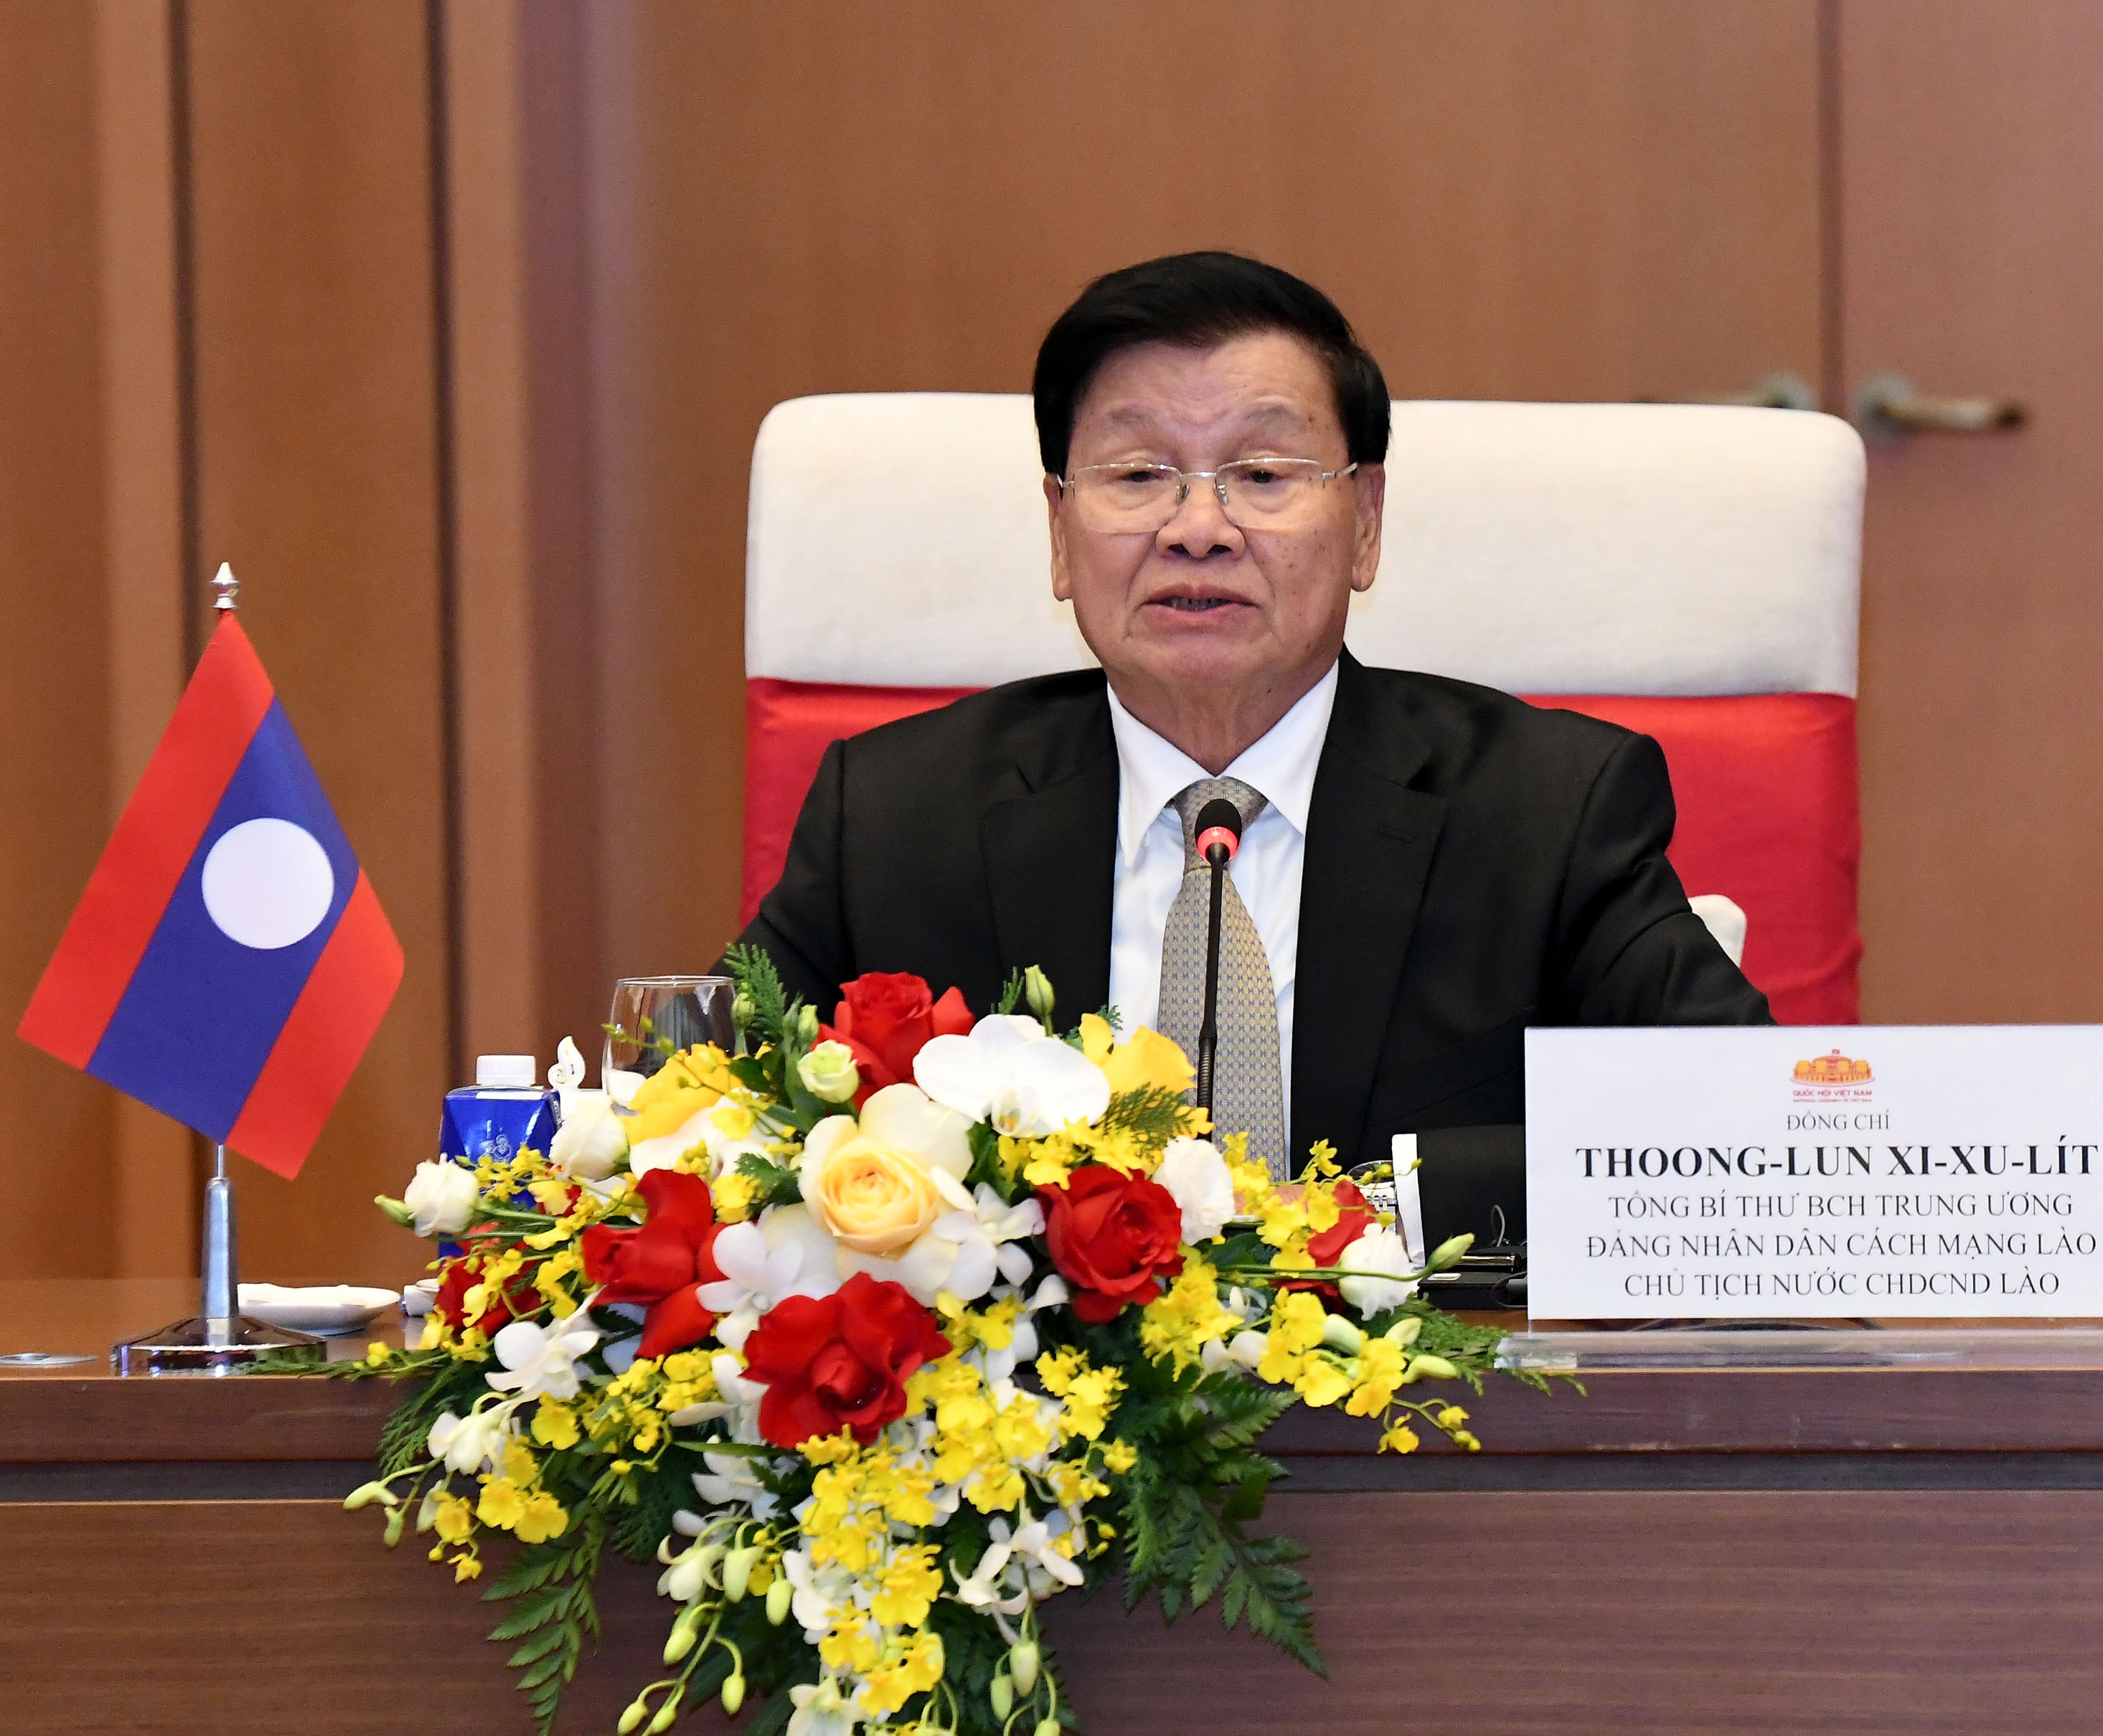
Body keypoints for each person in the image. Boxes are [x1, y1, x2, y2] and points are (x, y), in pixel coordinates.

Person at [738, 251, 1768, 1237]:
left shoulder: (1548, 810)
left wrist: (1363, 1221)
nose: (1198, 527)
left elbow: (1737, 1137)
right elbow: (710, 1136)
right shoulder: (895, 814)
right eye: (1138, 473)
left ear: (1365, 522)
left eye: (1264, 473)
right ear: (1059, 530)